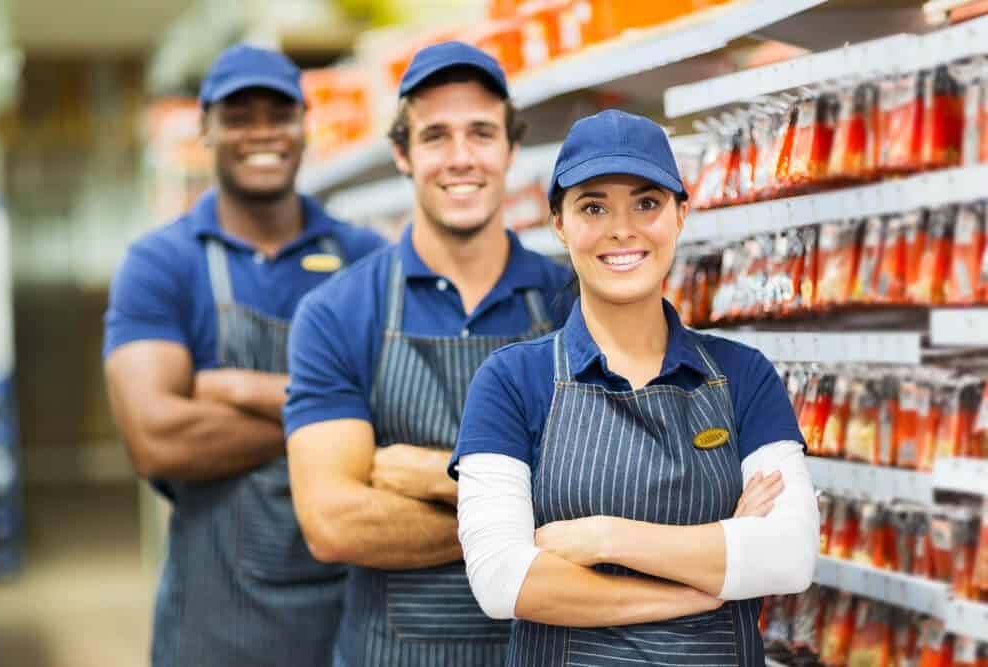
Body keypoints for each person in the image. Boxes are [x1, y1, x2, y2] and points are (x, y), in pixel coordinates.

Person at [450, 109, 820, 666]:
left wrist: (604, 538)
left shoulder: (744, 375)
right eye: (593, 207)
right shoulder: (510, 382)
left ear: (681, 215)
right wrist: (712, 574)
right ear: (559, 224)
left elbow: (789, 557)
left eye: (647, 203)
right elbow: (505, 582)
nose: (622, 229)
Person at [284, 42, 573, 666]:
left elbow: (626, 495)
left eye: (481, 132)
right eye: (436, 135)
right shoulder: (338, 313)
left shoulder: (573, 302)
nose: (461, 158)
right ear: (401, 153)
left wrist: (435, 478)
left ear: (510, 149)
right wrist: (540, 524)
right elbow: (333, 522)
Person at [103, 44, 386, 667]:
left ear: (303, 125)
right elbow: (159, 438)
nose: (261, 132)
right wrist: (338, 417)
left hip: (354, 613)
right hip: (219, 622)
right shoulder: (163, 263)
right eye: (239, 115)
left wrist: (233, 388)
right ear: (206, 127)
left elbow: (399, 410)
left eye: (278, 113)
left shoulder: (367, 258)